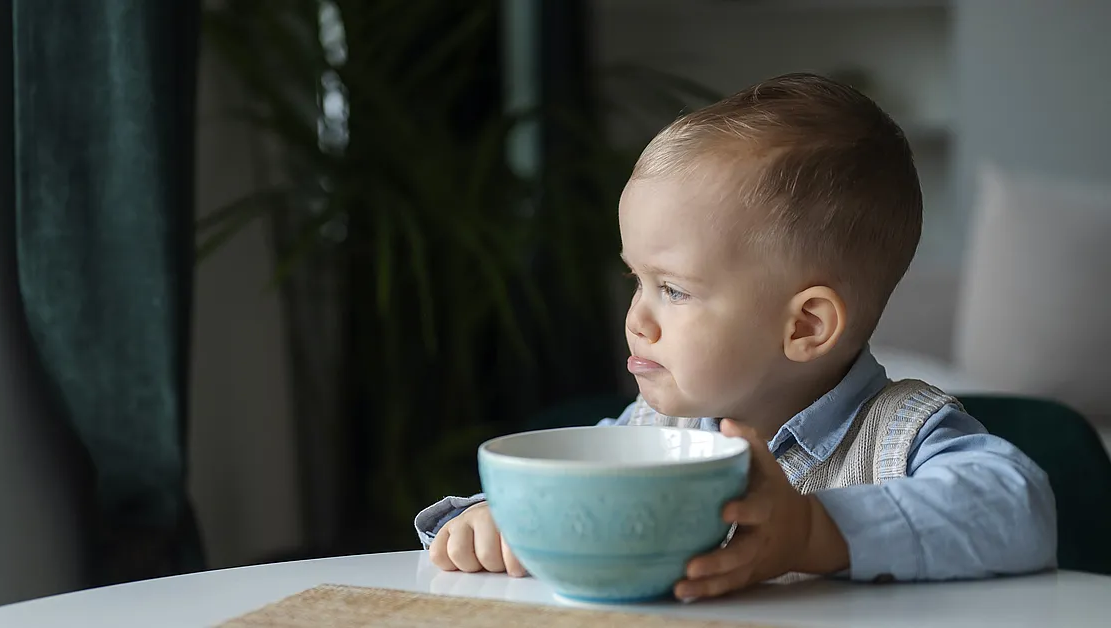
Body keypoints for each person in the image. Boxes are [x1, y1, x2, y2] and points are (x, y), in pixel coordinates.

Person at [414, 73, 1057, 601]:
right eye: (636, 280)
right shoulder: (651, 436)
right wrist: (491, 523)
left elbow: (1019, 507)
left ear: (804, 326)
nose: (637, 317)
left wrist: (812, 530)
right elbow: (556, 493)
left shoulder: (900, 433)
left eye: (674, 289)